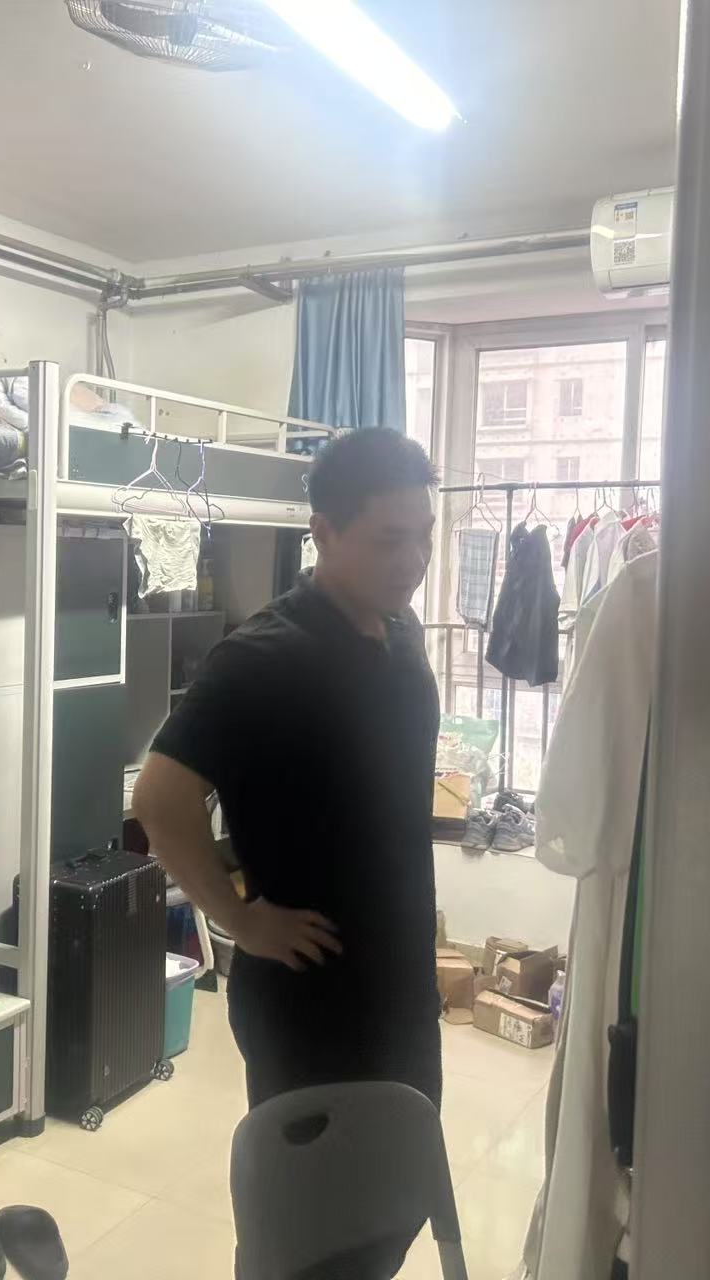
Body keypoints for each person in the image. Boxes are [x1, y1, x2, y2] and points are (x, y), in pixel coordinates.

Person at [133, 427, 441, 1270]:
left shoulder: (400, 632)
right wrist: (236, 919)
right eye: (389, 539)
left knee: (391, 1199)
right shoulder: (263, 657)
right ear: (323, 532)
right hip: (311, 997)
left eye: (422, 536)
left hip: (396, 985)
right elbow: (159, 800)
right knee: (305, 1229)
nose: (412, 559)